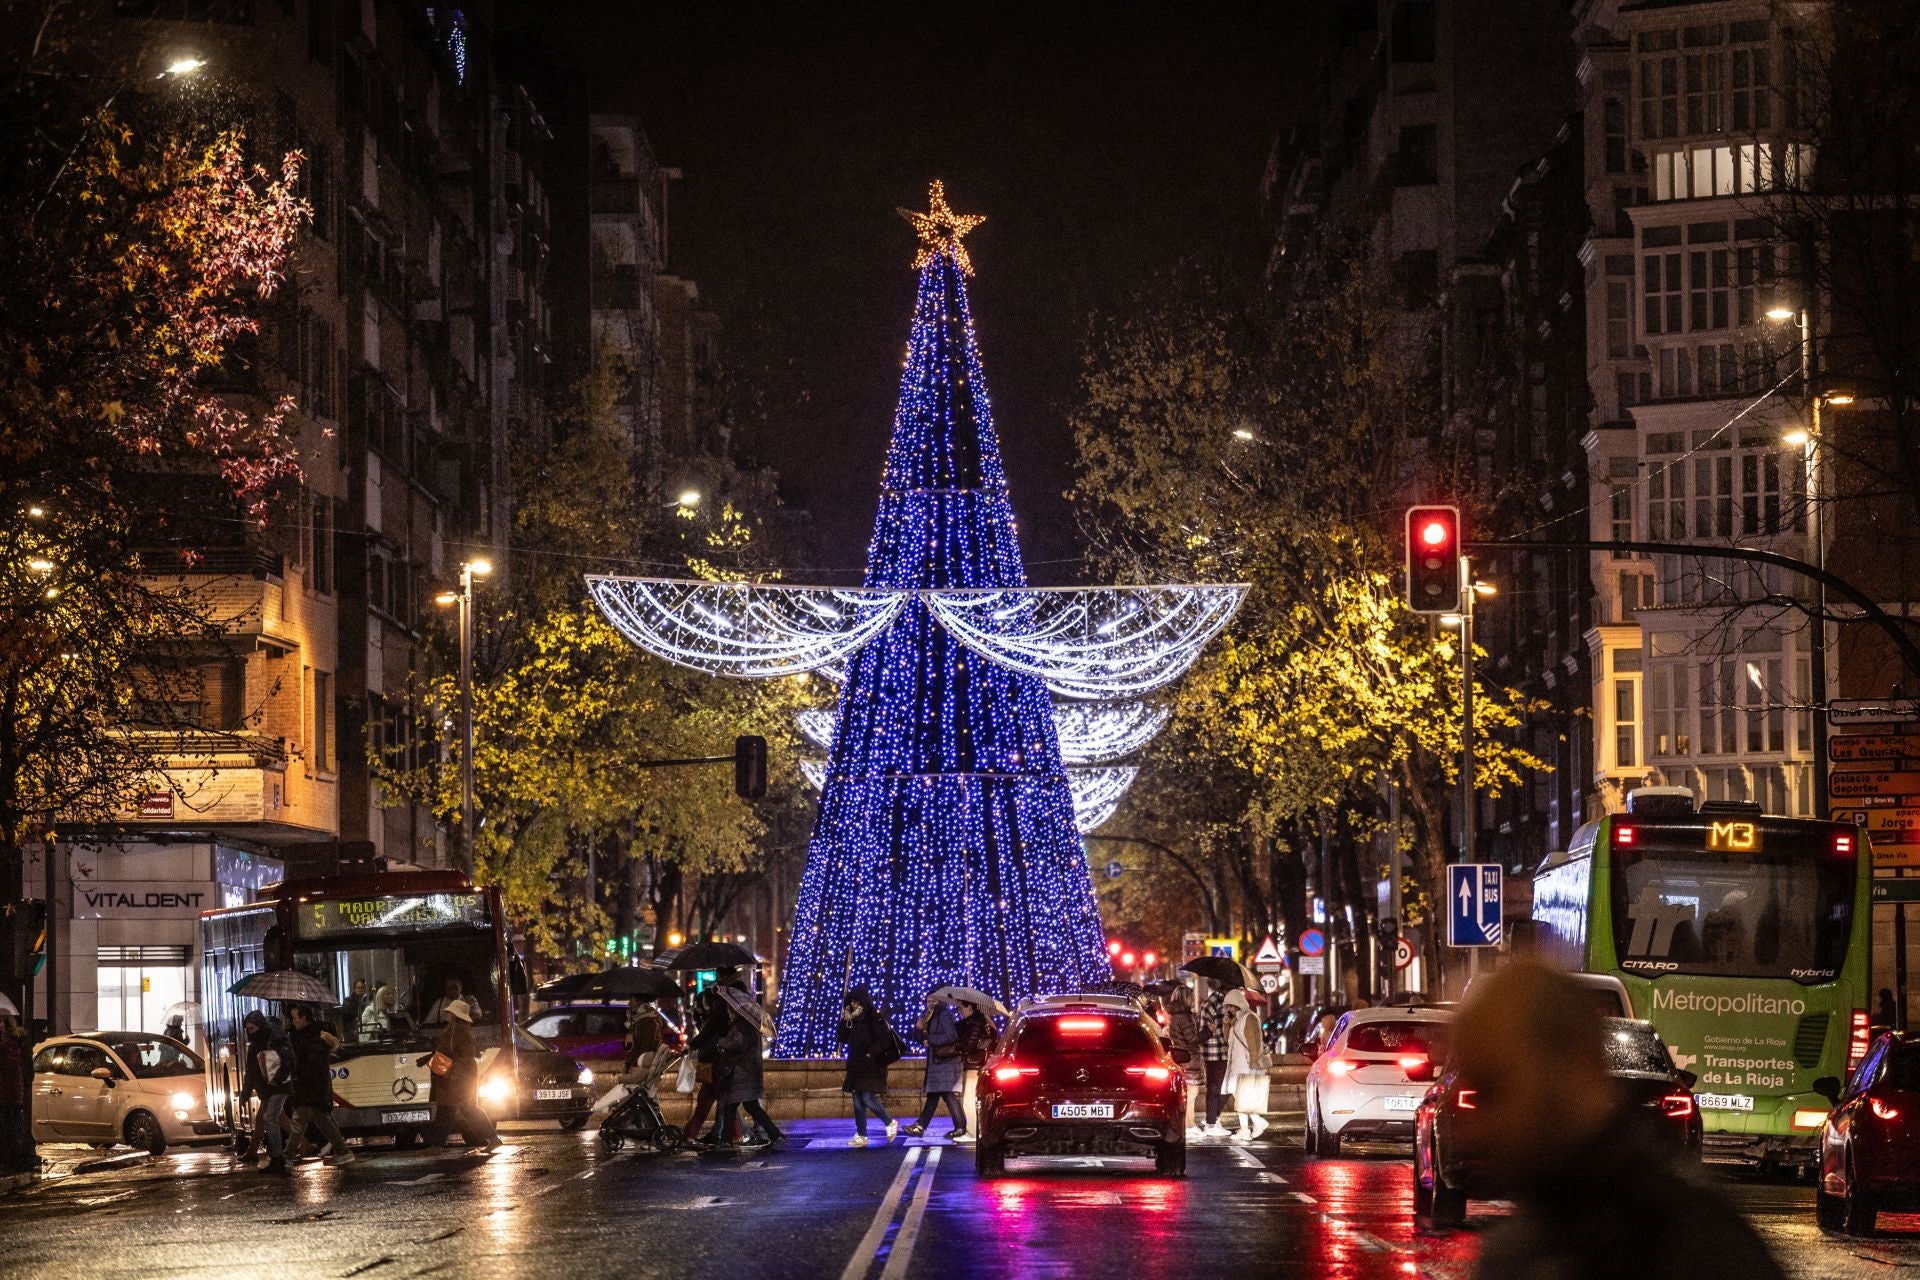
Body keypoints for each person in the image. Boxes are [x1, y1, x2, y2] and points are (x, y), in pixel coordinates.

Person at [1460, 962, 1785, 1280]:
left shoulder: (1691, 1243)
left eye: (1493, 1087)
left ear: (1577, 1066)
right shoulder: (1521, 1247)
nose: (1475, 1128)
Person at [421, 998, 499, 1153]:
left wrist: (431, 1059)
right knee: (463, 1108)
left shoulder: (456, 1029)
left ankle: (436, 1146)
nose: (447, 1015)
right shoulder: (463, 1028)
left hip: (456, 1076)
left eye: (450, 1013)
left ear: (455, 1015)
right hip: (463, 1073)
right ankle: (493, 1139)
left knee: (448, 1110)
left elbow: (447, 1050)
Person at [708, 1000, 783, 1152]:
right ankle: (774, 1133)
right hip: (747, 1072)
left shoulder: (742, 1026)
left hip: (741, 1072)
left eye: (730, 1010)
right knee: (751, 1106)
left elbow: (738, 1044)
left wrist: (721, 1042)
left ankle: (726, 1140)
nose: (729, 1013)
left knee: (730, 1105)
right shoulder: (748, 1025)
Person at [285, 1003, 354, 1166]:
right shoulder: (306, 1035)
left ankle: (287, 1156)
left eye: (295, 1017)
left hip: (311, 1087)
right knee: (321, 1120)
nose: (293, 1021)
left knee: (299, 1120)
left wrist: (298, 1074)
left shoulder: (313, 1038)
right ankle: (343, 1152)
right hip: (314, 1087)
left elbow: (311, 1063)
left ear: (304, 1018)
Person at [839, 988, 898, 1147]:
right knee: (857, 1100)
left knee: (867, 1098)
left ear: (864, 1002)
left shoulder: (875, 1018)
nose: (853, 1004)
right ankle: (861, 1134)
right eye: (851, 1001)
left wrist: (870, 1054)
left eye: (856, 1001)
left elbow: (884, 1040)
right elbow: (841, 1038)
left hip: (872, 1065)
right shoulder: (852, 1020)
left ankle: (889, 1121)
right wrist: (845, 1019)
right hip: (856, 1065)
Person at [903, 995, 964, 1139]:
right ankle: (920, 1126)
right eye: (928, 1001)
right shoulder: (928, 1016)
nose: (930, 1003)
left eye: (933, 1001)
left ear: (939, 1001)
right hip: (936, 1061)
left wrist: (930, 1039)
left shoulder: (943, 1014)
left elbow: (951, 1036)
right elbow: (921, 1039)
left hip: (944, 1061)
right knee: (934, 1096)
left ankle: (960, 1127)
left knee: (947, 1094)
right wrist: (918, 1029)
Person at [241, 1010, 295, 1174]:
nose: (250, 1032)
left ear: (260, 1026)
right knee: (270, 1119)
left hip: (279, 1087)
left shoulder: (276, 1039)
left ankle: (278, 1157)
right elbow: (251, 1072)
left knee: (269, 1118)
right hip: (266, 1090)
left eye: (252, 1028)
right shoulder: (255, 1046)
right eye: (248, 1029)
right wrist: (245, 1092)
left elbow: (289, 1060)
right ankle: (278, 1156)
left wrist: (278, 1079)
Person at [684, 988, 732, 1145]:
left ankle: (737, 1134)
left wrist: (692, 1045)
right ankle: (690, 1135)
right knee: (708, 1103)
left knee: (723, 1104)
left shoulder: (716, 1021)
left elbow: (705, 1037)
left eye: (701, 1002)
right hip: (710, 1068)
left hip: (715, 1067)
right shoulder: (709, 1019)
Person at [1223, 988, 1271, 1143]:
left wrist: (1254, 1058)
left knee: (1242, 1098)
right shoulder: (1235, 1020)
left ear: (1238, 1003)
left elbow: (1253, 1039)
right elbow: (1227, 1040)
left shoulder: (1249, 1017)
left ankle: (1254, 1124)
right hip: (1236, 1064)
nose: (1228, 1009)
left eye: (1231, 1005)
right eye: (1226, 1006)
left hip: (1245, 1063)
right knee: (1240, 1098)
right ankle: (1247, 1127)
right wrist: (1226, 1025)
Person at [1164, 981, 1205, 1140]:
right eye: (1190, 997)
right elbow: (1192, 1039)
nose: (1191, 1000)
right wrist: (1208, 1031)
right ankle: (1189, 1125)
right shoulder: (1184, 1017)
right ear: (1185, 998)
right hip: (1189, 1059)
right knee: (1192, 1094)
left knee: (1190, 1094)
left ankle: (1190, 1123)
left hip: (1182, 1058)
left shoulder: (1175, 1016)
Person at [954, 1000, 997, 1145]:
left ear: (970, 1008)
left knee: (969, 1100)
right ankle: (973, 1130)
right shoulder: (984, 1022)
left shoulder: (974, 1024)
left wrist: (956, 1046)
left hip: (974, 1064)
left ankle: (972, 1132)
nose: (959, 1011)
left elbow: (969, 1045)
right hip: (979, 1064)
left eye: (961, 1008)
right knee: (972, 1099)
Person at [1196, 979, 1231, 1137]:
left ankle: (1213, 1118)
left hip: (1223, 1051)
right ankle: (1211, 1122)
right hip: (1214, 1052)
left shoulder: (1224, 1003)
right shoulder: (1211, 1004)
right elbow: (1202, 1030)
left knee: (1226, 1087)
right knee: (1215, 1087)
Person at [0, 1009, 29, 1174]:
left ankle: (10, 1161)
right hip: (14, 1095)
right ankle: (14, 1160)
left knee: (7, 1130)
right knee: (12, 1129)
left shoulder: (8, 1046)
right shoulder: (18, 1043)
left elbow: (9, 1071)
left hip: (7, 1095)